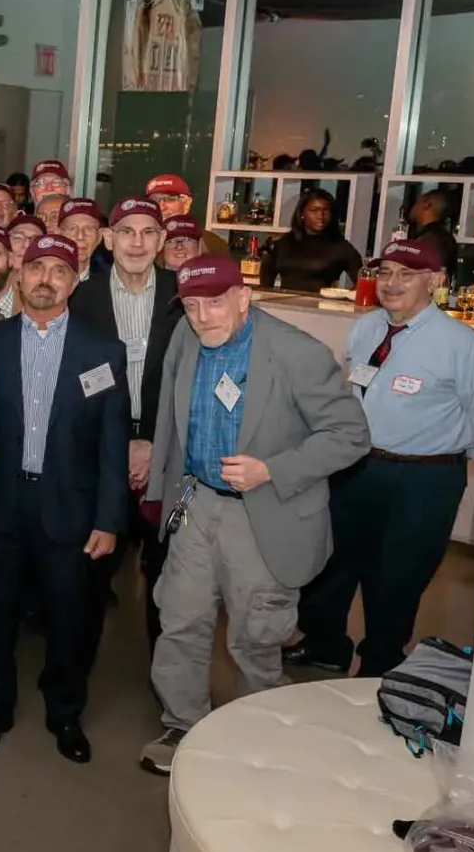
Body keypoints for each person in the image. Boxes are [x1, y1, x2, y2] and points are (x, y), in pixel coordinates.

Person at [139, 255, 371, 774]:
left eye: (216, 302)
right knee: (180, 620)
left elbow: (352, 436)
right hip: (197, 503)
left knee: (255, 635)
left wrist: (273, 469)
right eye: (193, 305)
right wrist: (161, 489)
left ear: (245, 297)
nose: (204, 316)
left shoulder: (297, 353)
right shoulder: (186, 337)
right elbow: (170, 421)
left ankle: (252, 738)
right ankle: (182, 726)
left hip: (264, 513)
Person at [289, 237, 474, 677]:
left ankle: (380, 663)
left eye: (406, 274)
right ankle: (325, 645)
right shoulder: (367, 328)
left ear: (436, 280)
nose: (391, 283)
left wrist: (447, 458)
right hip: (354, 466)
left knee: (397, 576)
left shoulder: (463, 344)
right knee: (330, 561)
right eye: (385, 272)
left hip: (422, 479)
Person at [0, 235, 127, 765]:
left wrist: (109, 518)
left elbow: (112, 445)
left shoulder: (103, 351)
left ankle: (65, 712)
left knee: (70, 618)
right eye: (35, 267)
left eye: (58, 270)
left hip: (71, 510)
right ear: (18, 273)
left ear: (75, 280)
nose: (45, 279)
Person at [70, 199, 182, 640]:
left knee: (168, 583)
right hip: (101, 456)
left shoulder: (184, 296)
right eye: (127, 231)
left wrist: (155, 440)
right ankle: (73, 692)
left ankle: (168, 690)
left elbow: (195, 377)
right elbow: (75, 386)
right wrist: (122, 444)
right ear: (107, 239)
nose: (137, 242)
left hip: (168, 454)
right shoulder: (83, 297)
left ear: (162, 241)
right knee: (91, 578)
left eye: (148, 232)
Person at [261, 187, 363, 293]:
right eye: (314, 210)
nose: (321, 216)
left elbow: (365, 280)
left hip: (321, 307)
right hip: (285, 307)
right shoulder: (282, 243)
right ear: (302, 214)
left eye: (325, 210)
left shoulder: (340, 247)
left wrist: (344, 299)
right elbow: (265, 284)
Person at [143, 172, 229, 255]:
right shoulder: (139, 241)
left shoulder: (211, 243)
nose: (161, 207)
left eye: (170, 199)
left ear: (186, 204)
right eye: (154, 201)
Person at [58, 198, 106, 279]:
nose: (80, 236)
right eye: (72, 228)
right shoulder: (44, 279)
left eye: (89, 228)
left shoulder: (110, 282)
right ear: (60, 234)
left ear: (99, 236)